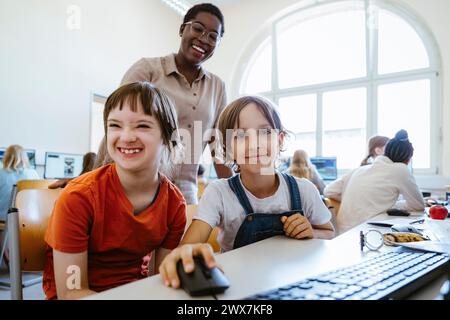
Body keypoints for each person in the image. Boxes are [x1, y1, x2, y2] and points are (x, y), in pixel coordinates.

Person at [158, 96, 335, 289]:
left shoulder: (304, 190)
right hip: (236, 287)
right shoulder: (219, 193)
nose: (254, 144)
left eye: (265, 132)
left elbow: (329, 232)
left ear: (280, 139)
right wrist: (186, 253)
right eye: (241, 136)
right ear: (227, 148)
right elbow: (188, 248)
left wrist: (311, 232)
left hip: (293, 284)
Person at [43, 82, 186, 300]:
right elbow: (71, 292)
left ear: (168, 137)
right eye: (115, 125)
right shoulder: (78, 198)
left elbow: (160, 279)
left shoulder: (174, 204)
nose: (126, 137)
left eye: (142, 126)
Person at [121, 3, 231, 204]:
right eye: (198, 28)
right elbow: (119, 127)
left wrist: (242, 194)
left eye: (213, 36)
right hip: (138, 190)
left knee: (192, 237)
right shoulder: (147, 70)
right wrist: (90, 177)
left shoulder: (218, 87)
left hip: (185, 195)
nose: (203, 39)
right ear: (182, 29)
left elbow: (219, 148)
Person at [324, 130, 424, 235]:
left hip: (343, 234)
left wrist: (357, 199)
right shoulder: (400, 169)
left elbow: (328, 191)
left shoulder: (359, 170)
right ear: (407, 160)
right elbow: (418, 206)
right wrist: (392, 205)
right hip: (368, 234)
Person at [0, 145, 39, 220]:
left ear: (6, 157)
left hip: (3, 218)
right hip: (28, 220)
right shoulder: (33, 174)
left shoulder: (1, 174)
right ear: (24, 158)